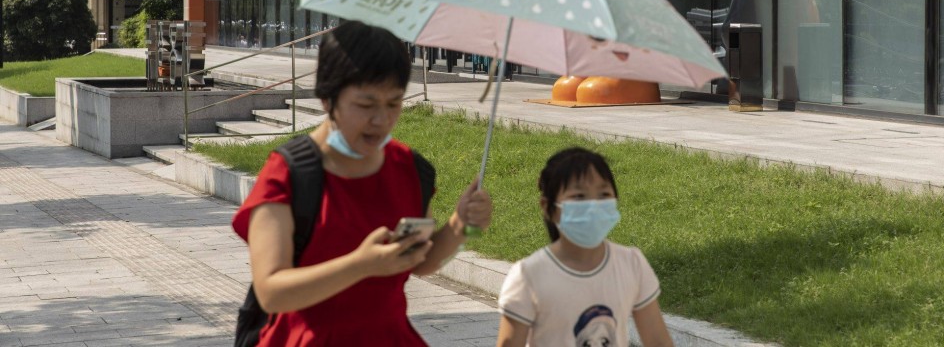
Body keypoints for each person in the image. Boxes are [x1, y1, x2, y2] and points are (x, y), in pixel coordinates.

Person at [232, 20, 493, 346]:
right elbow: (272, 292)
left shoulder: (411, 169)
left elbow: (419, 260)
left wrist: (461, 226)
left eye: (394, 103)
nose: (381, 120)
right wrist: (361, 265)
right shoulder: (289, 174)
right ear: (328, 98)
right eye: (366, 105)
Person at [496, 147, 672, 347]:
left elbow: (659, 341)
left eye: (603, 194)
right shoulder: (528, 275)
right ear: (548, 207)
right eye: (579, 196)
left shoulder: (632, 264)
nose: (593, 206)